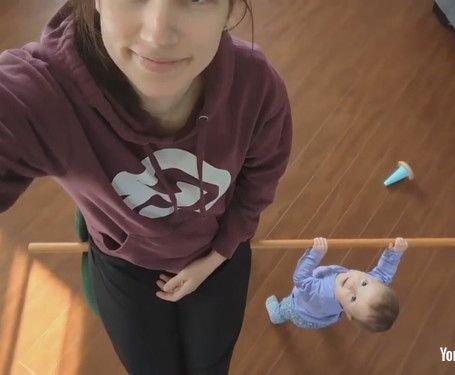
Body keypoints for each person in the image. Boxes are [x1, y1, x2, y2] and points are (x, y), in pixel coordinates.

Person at [0, 1, 293, 373]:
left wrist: (217, 256)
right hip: (126, 264)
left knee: (211, 362)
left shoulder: (257, 87)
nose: (157, 34)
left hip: (220, 253)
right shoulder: (44, 91)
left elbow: (260, 178)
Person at [265, 237, 407, 332]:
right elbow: (383, 274)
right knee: (322, 313)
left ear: (349, 314)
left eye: (353, 299)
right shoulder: (373, 286)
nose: (352, 285)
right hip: (324, 319)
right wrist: (395, 253)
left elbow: (301, 279)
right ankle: (323, 315)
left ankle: (277, 314)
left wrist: (315, 254)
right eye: (364, 283)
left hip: (301, 313)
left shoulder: (320, 294)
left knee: (287, 307)